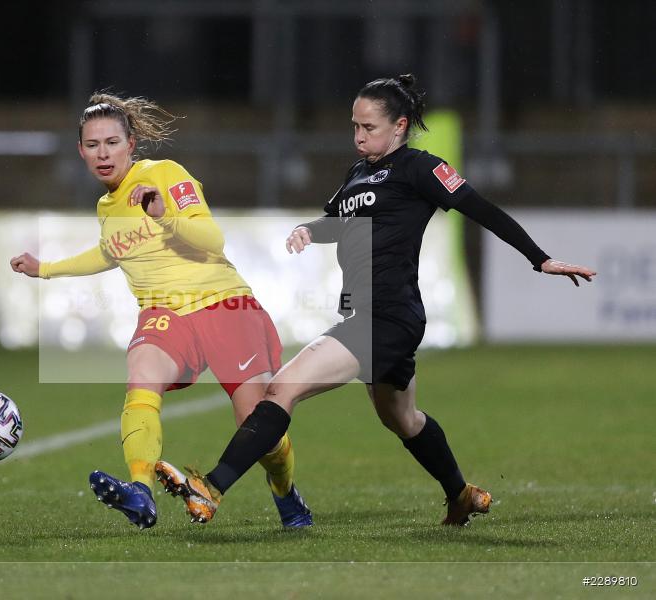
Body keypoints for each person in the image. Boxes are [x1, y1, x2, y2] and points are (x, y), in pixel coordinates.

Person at [155, 74, 597, 526]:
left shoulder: (419, 168)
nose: (358, 136)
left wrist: (539, 259)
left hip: (385, 317)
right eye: (354, 126)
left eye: (369, 128)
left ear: (400, 126)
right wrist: (311, 229)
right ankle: (460, 494)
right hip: (370, 317)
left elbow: (479, 207)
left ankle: (210, 487)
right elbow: (337, 221)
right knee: (403, 420)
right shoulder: (357, 174)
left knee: (280, 390)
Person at [10, 93, 312, 529]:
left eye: (112, 142)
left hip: (223, 305)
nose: (103, 154)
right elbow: (108, 253)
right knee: (142, 376)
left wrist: (164, 214)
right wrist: (46, 270)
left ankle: (286, 494)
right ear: (81, 151)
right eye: (93, 145)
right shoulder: (106, 206)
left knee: (258, 426)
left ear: (131, 143)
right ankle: (140, 492)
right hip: (164, 314)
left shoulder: (164, 175)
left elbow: (212, 239)